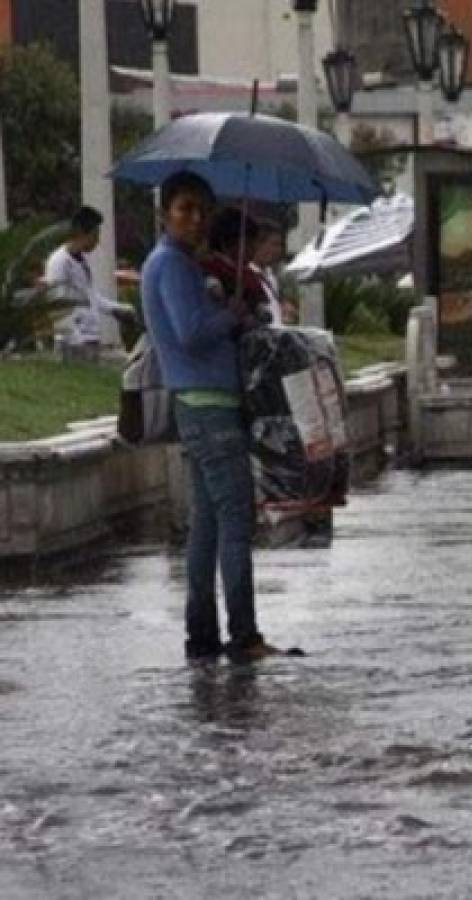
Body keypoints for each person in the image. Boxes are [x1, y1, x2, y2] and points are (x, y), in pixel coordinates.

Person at [140, 172, 281, 665]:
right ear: (164, 213)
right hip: (210, 409)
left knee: (206, 525)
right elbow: (192, 334)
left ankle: (202, 637)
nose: (195, 218)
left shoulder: (178, 263)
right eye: (184, 208)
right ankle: (243, 635)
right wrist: (234, 314)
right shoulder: (173, 266)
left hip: (200, 406)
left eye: (201, 209)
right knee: (236, 520)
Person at [42, 206, 135, 352]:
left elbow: (91, 297)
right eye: (95, 235)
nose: (97, 241)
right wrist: (77, 340)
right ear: (81, 233)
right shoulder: (59, 262)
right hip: (73, 342)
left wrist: (119, 309)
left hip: (90, 338)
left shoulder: (82, 261)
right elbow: (56, 304)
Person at [249, 219, 297, 324]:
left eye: (280, 245)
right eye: (274, 244)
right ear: (258, 244)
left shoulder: (270, 275)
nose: (278, 250)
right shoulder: (248, 276)